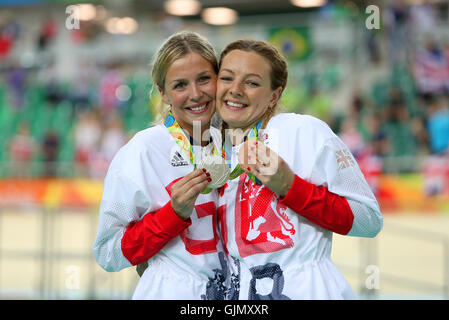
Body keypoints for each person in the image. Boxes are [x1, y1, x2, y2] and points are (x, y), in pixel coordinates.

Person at [215, 39, 383, 299]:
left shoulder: (303, 132)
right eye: (227, 78)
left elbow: (368, 220)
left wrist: (291, 187)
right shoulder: (207, 150)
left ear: (274, 95)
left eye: (252, 82)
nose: (235, 89)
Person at [92, 31, 229, 300]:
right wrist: (172, 215)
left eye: (204, 79)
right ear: (163, 93)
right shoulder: (141, 151)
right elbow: (107, 253)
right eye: (180, 85)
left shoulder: (233, 145)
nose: (196, 94)